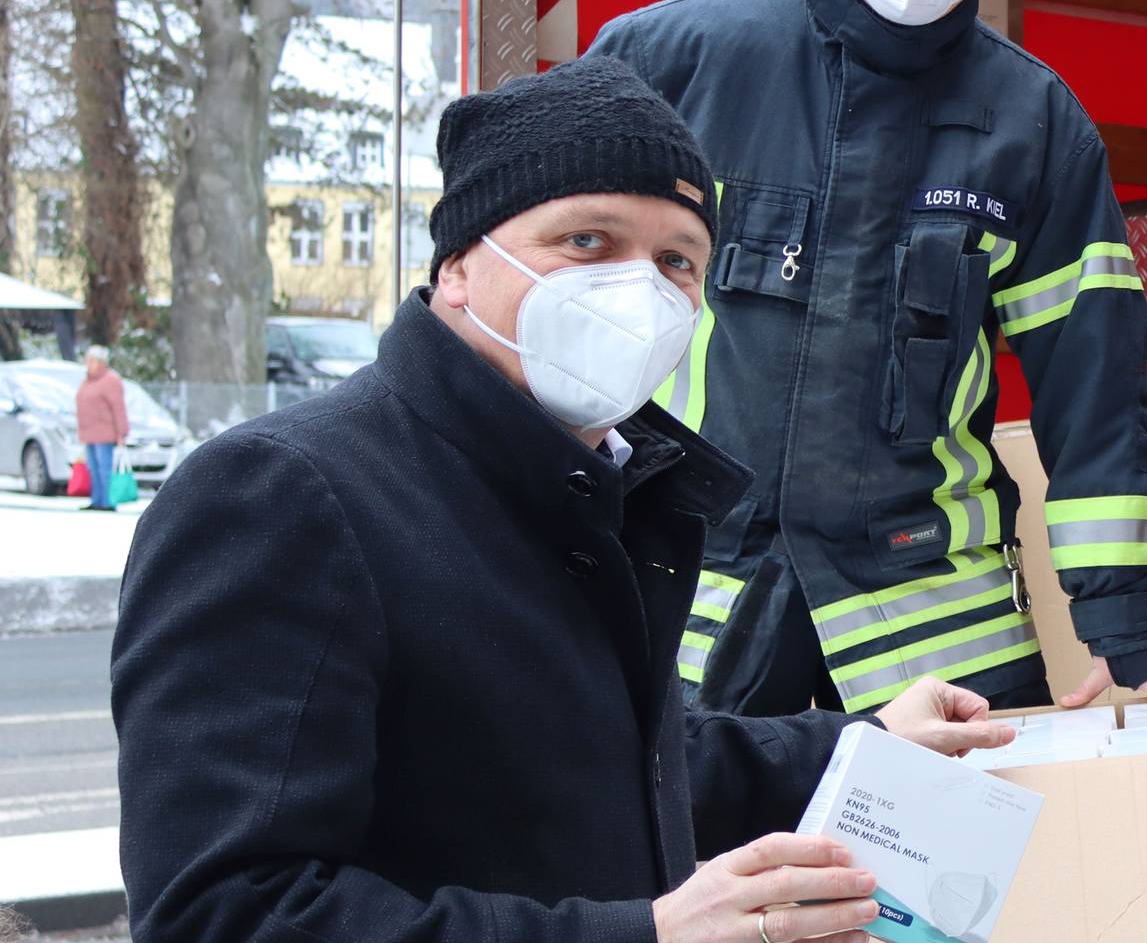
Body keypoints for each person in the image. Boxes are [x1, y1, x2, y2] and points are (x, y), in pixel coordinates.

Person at [110, 57, 1019, 942]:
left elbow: (618, 762)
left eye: (677, 262)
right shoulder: (282, 495)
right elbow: (222, 914)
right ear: (462, 263)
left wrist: (859, 747)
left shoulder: (591, 491)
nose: (639, 288)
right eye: (588, 240)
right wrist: (652, 935)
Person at [588, 0, 1147, 718]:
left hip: (934, 618)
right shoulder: (677, 60)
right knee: (697, 864)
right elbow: (536, 292)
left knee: (962, 870)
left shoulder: (1034, 123)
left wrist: (1127, 621)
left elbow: (1093, 388)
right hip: (697, 594)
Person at [75, 345, 125, 511]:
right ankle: (96, 500)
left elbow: (118, 408)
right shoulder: (87, 381)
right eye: (88, 360)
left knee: (105, 470)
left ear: (102, 362)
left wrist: (121, 433)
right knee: (93, 470)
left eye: (93, 361)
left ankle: (107, 501)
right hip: (89, 434)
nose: (89, 364)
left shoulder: (110, 380)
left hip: (105, 433)